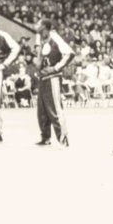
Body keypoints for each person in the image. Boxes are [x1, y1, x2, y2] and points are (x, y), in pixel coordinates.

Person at [34, 18, 74, 147]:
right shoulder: (41, 40)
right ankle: (45, 137)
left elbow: (69, 53)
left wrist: (56, 67)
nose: (36, 25)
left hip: (53, 78)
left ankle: (63, 137)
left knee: (55, 109)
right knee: (42, 110)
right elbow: (39, 63)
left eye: (38, 23)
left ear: (44, 26)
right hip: (43, 78)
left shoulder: (54, 37)